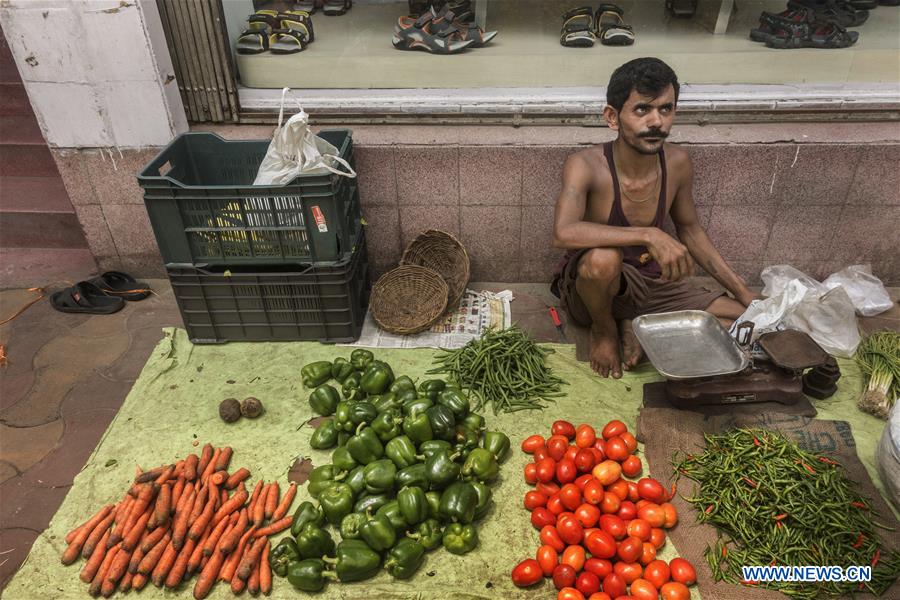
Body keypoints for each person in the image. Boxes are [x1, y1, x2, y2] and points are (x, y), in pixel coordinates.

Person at [551, 57, 758, 378]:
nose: (656, 121)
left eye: (665, 109)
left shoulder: (677, 163)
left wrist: (745, 293)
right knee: (603, 260)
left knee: (747, 321)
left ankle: (637, 329)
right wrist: (650, 234)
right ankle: (606, 330)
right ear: (612, 116)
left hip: (652, 283)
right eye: (642, 109)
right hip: (592, 288)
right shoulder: (585, 164)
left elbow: (690, 230)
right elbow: (564, 232)